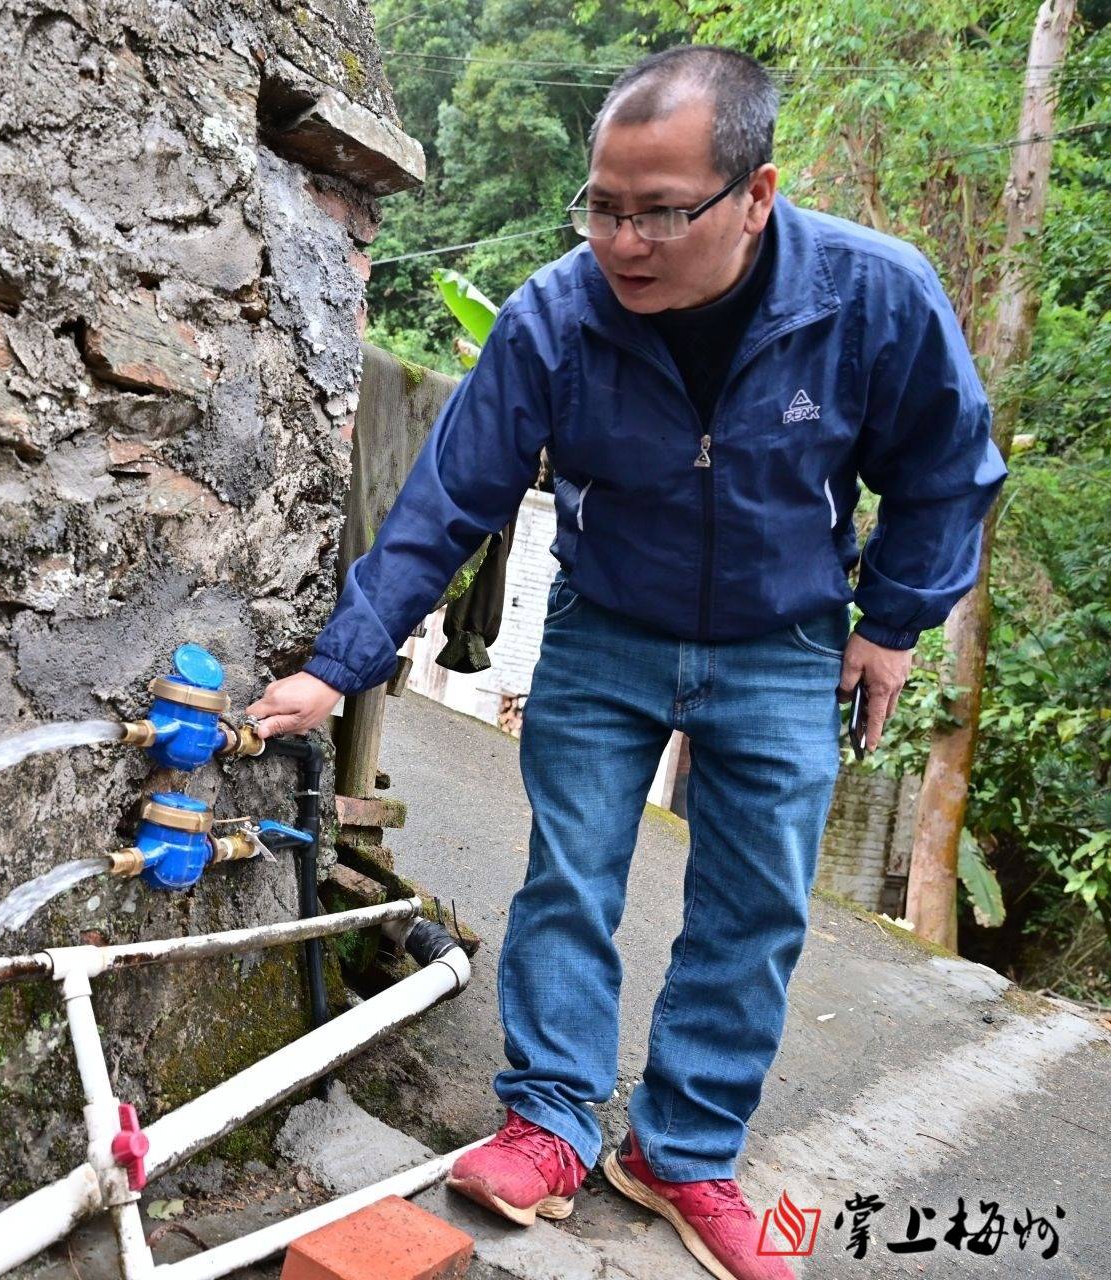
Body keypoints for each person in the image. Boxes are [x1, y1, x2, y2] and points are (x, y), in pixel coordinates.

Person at [245, 45, 1006, 1280]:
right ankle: (547, 1118)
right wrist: (340, 665)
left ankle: (683, 1149)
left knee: (754, 908)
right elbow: (446, 503)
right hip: (608, 628)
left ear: (756, 194)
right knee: (572, 877)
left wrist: (892, 624)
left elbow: (947, 470)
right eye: (603, 204)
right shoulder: (556, 314)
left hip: (787, 638)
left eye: (661, 210)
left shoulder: (875, 297)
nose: (623, 239)